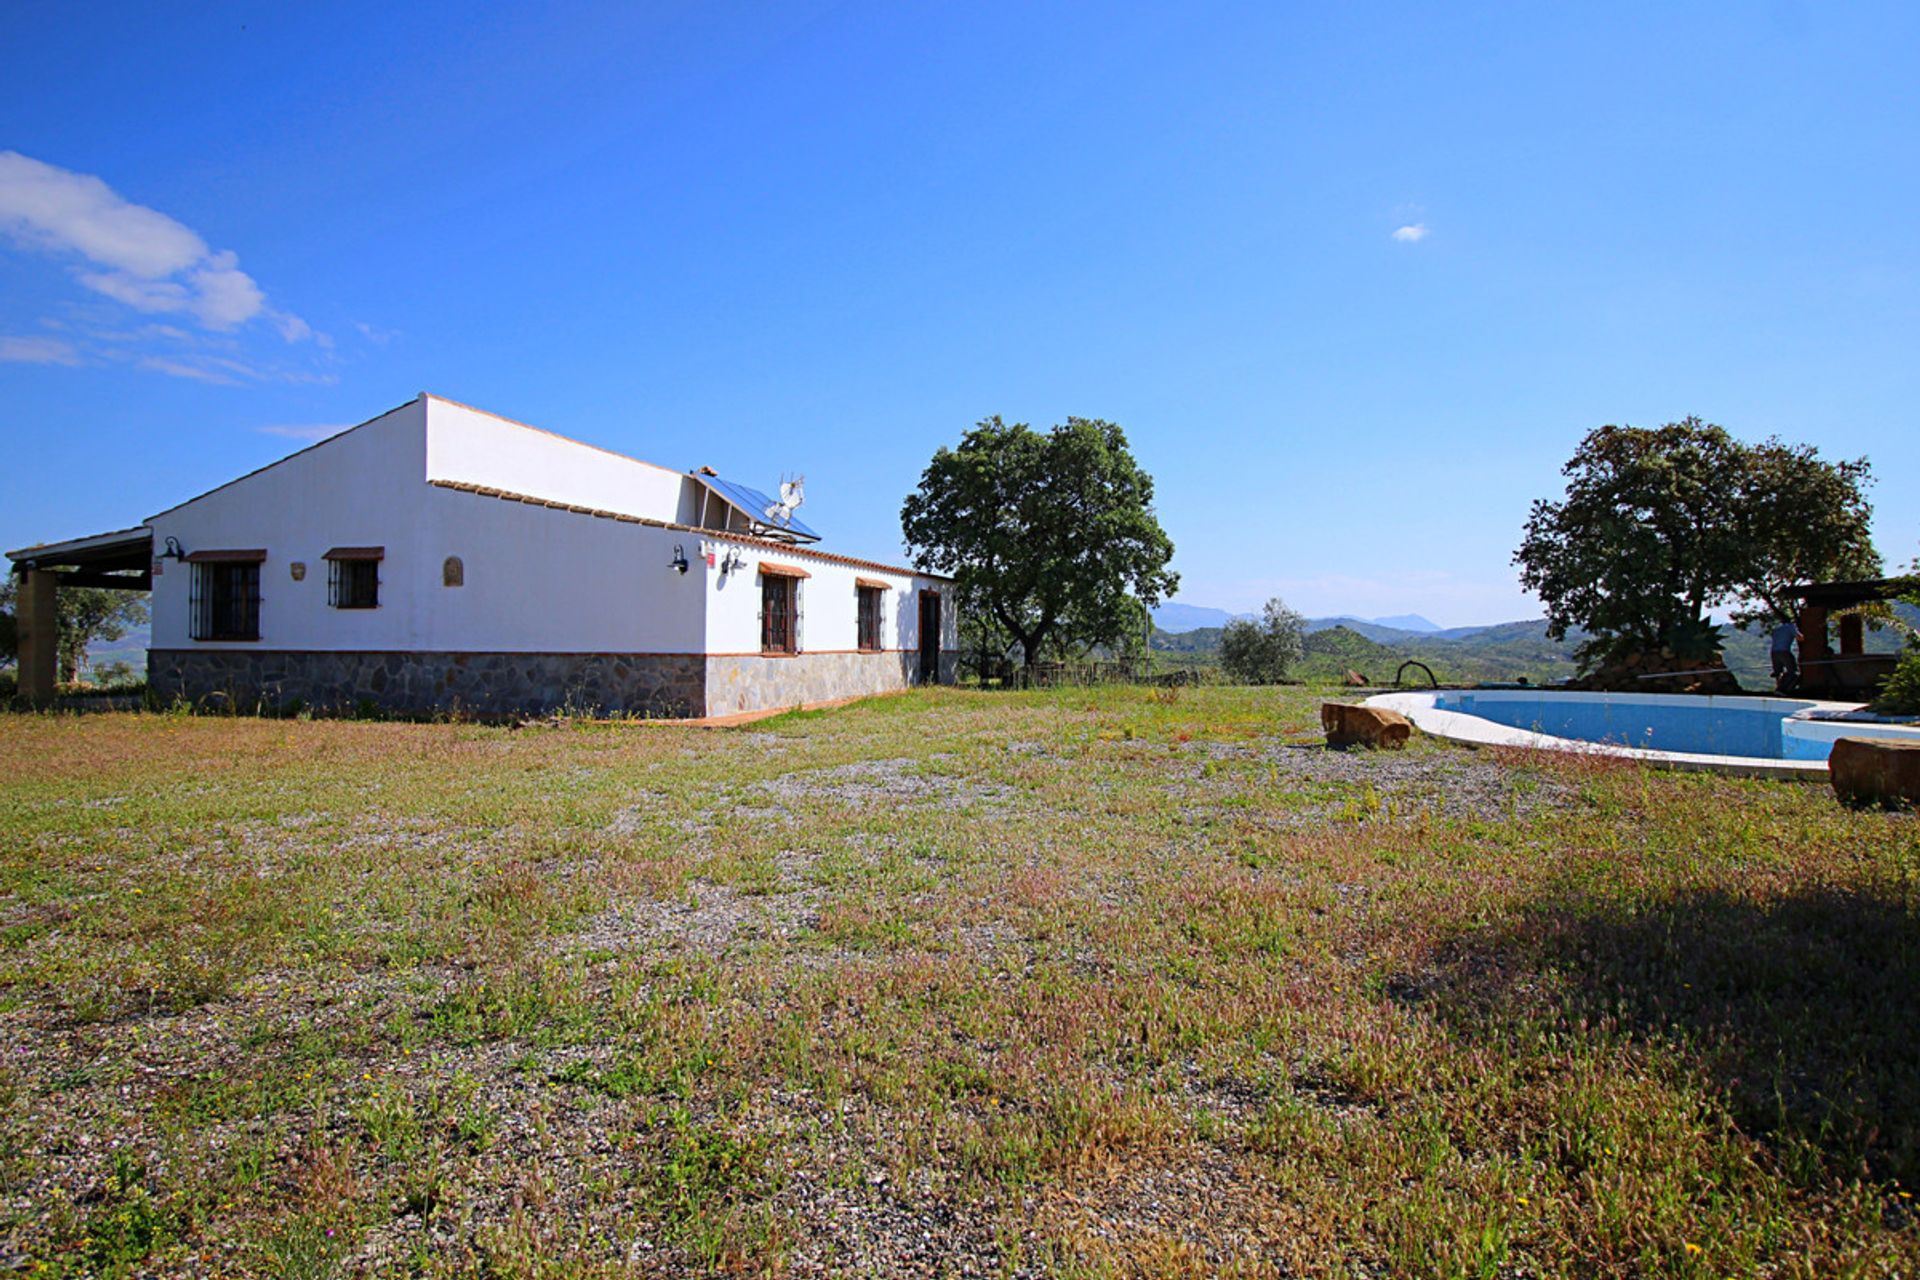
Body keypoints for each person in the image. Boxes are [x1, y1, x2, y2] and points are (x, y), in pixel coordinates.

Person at [1771, 617, 1803, 692]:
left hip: (1774, 652)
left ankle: (1778, 689)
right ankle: (1784, 689)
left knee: (1778, 672)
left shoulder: (1777, 629)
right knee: (1793, 671)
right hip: (1784, 651)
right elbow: (1799, 638)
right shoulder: (1790, 626)